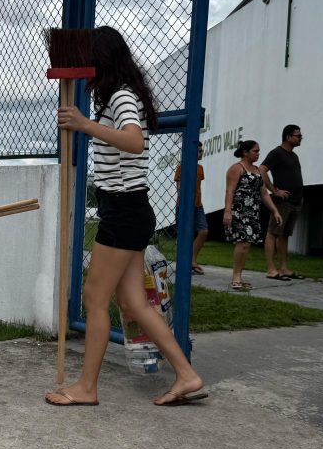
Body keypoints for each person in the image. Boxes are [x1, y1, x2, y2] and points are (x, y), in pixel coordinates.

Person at [44, 26, 205, 407]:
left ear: (101, 60)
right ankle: (187, 375)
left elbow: (133, 140)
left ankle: (86, 387)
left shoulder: (121, 97)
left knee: (94, 298)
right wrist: (87, 122)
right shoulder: (113, 98)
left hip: (125, 211)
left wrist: (84, 125)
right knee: (133, 305)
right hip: (125, 209)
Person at [224, 140, 281, 290]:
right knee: (242, 243)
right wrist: (228, 211)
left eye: (258, 151)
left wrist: (274, 210)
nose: (258, 154)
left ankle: (239, 276)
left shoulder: (257, 170)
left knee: (247, 245)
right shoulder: (236, 168)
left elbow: (264, 193)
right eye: (255, 151)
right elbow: (229, 191)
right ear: (245, 152)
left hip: (253, 212)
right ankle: (236, 277)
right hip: (239, 211)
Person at [259, 124, 304, 281]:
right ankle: (271, 269)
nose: (300, 138)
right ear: (288, 137)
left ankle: (284, 268)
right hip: (282, 202)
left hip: (296, 201)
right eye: (297, 135)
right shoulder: (276, 153)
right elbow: (262, 169)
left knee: (284, 235)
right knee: (273, 233)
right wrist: (274, 190)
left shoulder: (294, 156)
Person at [173, 142, 208, 274]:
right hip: (184, 206)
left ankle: (192, 260)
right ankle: (184, 264)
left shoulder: (200, 168)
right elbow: (180, 189)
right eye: (199, 151)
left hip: (198, 205)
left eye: (201, 150)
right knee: (184, 235)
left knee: (203, 231)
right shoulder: (181, 167)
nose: (201, 152)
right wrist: (184, 206)